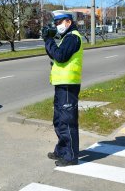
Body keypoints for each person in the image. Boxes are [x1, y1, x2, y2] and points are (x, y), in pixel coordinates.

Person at [42, 10, 83, 167]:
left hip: (68, 85)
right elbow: (55, 56)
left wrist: (48, 40)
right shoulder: (67, 37)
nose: (57, 25)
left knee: (67, 121)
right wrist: (50, 41)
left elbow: (59, 56)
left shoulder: (73, 38)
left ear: (68, 22)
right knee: (59, 120)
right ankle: (61, 150)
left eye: (59, 22)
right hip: (62, 85)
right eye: (56, 23)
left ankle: (71, 156)